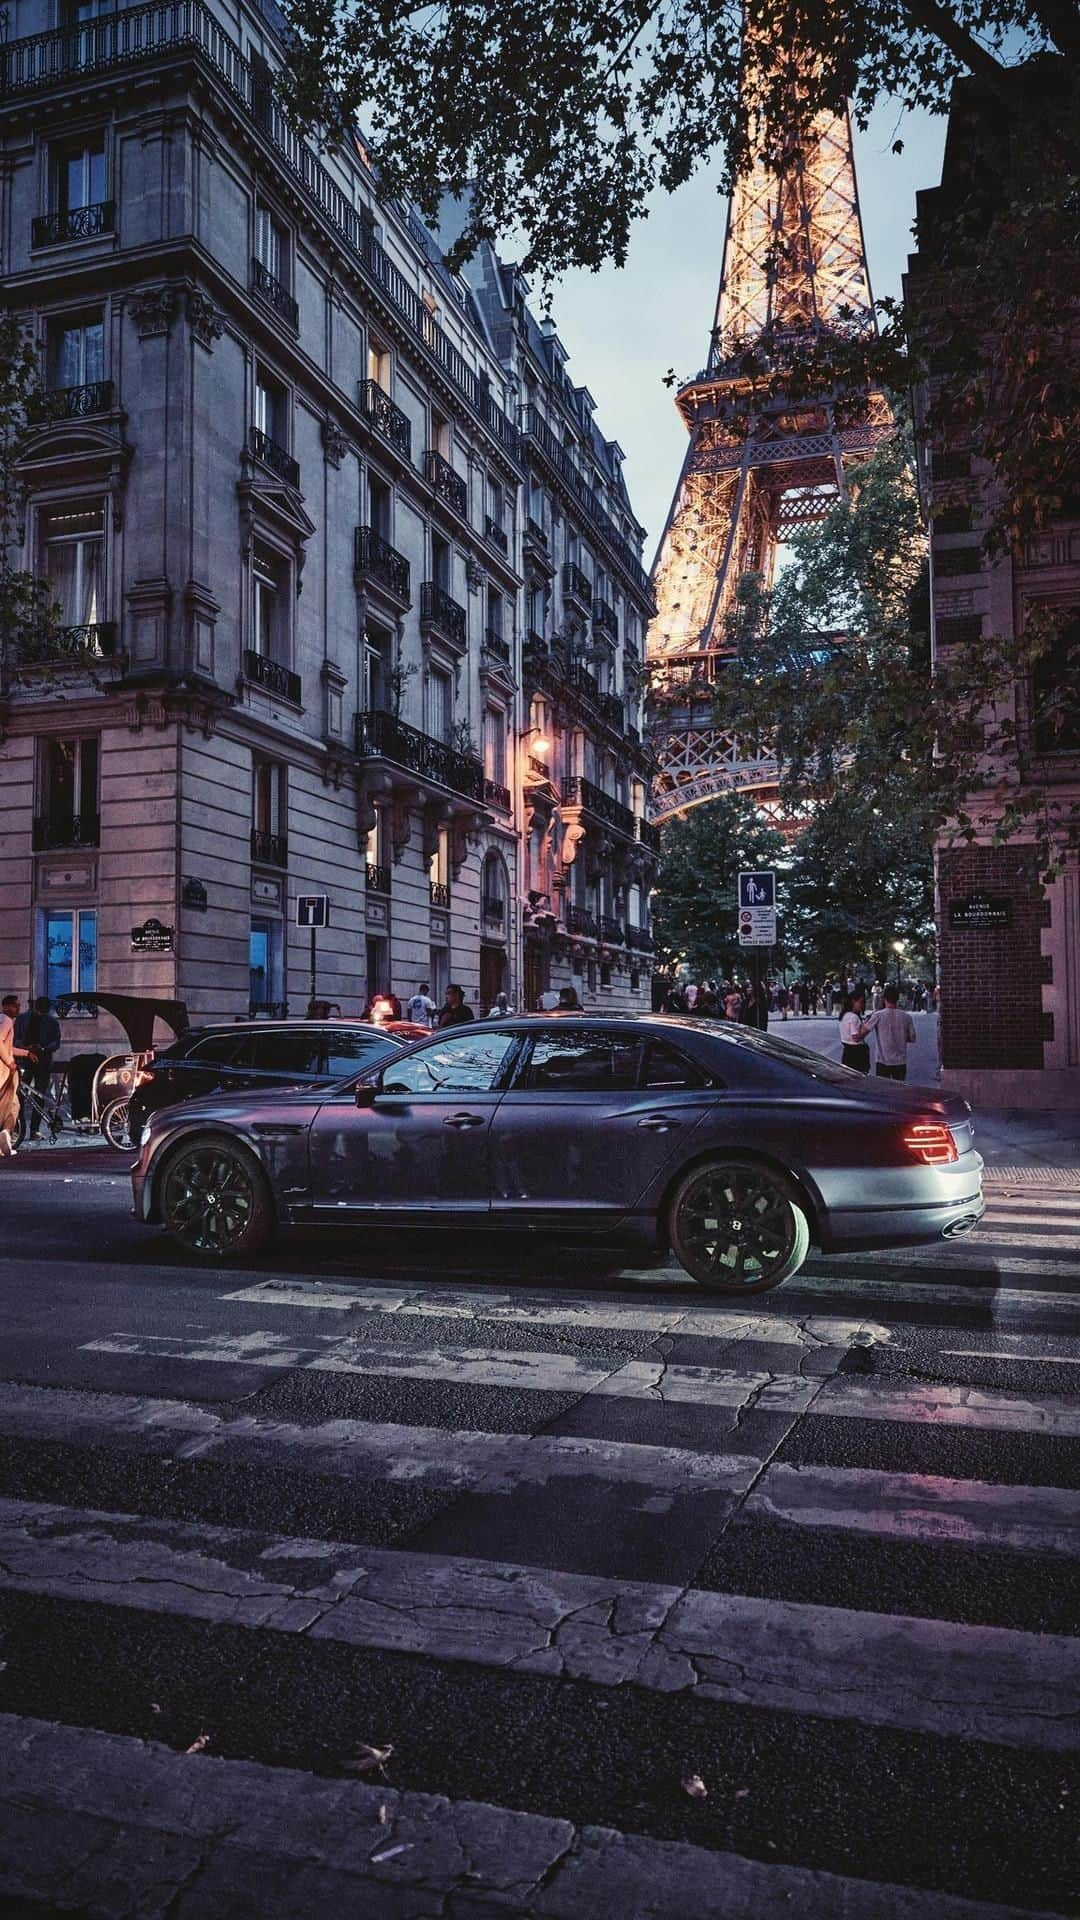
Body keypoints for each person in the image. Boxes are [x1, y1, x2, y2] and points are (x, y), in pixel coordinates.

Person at [14, 995, 62, 1140]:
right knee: (21, 1095)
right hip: (26, 1060)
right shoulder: (24, 1019)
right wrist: (27, 1048)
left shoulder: (51, 1021)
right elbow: (15, 1039)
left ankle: (30, 1130)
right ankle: (21, 1128)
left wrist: (42, 1048)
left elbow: (56, 1042)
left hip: (41, 1061)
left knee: (38, 1095)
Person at [868, 983, 917, 1080]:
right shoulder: (906, 1017)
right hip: (900, 1061)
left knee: (883, 1090)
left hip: (883, 1060)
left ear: (884, 998)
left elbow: (864, 1031)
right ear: (897, 998)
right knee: (899, 1090)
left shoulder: (878, 1015)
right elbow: (912, 1038)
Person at [0, 994, 24, 1157]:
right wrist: (10, 1062)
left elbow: (7, 1046)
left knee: (8, 1105)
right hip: (4, 1070)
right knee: (12, 1106)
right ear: (6, 1006)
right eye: (16, 1006)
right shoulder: (6, 1021)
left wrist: (27, 1053)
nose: (18, 1008)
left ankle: (5, 1138)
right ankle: (6, 1133)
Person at [838, 987, 872, 1073]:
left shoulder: (844, 1015)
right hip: (857, 1053)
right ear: (853, 1001)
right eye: (860, 1002)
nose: (862, 1005)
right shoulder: (854, 1017)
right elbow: (856, 1037)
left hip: (847, 1052)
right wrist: (866, 1029)